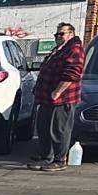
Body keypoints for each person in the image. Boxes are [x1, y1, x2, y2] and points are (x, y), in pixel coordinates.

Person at [29, 23, 85, 172]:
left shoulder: (74, 49)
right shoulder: (58, 50)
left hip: (61, 99)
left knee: (59, 130)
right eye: (56, 34)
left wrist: (58, 91)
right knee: (44, 128)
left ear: (71, 34)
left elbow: (72, 73)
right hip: (46, 98)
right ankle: (46, 157)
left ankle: (59, 160)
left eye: (62, 34)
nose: (58, 37)